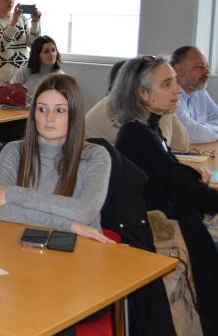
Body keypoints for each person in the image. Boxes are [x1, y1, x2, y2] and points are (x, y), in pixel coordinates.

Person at [111, 55, 218, 335]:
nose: (178, 89)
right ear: (142, 94)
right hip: (163, 233)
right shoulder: (136, 135)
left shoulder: (150, 127)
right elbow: (181, 186)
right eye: (167, 83)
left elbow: (174, 177)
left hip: (171, 220)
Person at [0, 75, 113, 242]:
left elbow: (84, 212)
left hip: (81, 248)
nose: (49, 118)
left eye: (60, 110)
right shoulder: (13, 151)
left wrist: (14, 194)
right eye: (42, 109)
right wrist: (69, 225)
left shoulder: (95, 156)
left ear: (74, 114)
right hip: (24, 246)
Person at [85, 59, 189, 152]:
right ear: (143, 92)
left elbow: (181, 145)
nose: (178, 89)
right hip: (86, 165)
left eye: (174, 81)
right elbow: (159, 152)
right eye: (167, 84)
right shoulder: (124, 109)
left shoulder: (154, 104)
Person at [171, 46, 218, 143]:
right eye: (200, 67)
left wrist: (203, 129)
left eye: (207, 67)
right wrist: (205, 129)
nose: (207, 72)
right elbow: (191, 134)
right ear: (178, 69)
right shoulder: (169, 97)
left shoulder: (200, 91)